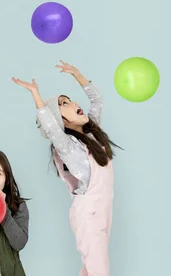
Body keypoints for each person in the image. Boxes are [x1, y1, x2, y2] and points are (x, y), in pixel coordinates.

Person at [13, 61, 121, 276]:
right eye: (64, 104)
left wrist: (77, 74)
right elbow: (51, 129)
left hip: (103, 209)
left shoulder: (91, 134)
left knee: (92, 268)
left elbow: (97, 101)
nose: (73, 103)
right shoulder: (67, 146)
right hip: (88, 212)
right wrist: (36, 95)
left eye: (70, 100)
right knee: (98, 269)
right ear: (60, 119)